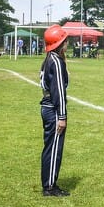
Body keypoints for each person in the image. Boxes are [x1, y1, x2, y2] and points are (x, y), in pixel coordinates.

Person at [40, 24, 70, 196]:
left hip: (47, 107)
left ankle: (48, 183)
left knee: (50, 147)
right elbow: (59, 90)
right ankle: (50, 186)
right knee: (54, 149)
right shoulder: (56, 62)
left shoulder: (49, 59)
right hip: (53, 109)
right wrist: (62, 116)